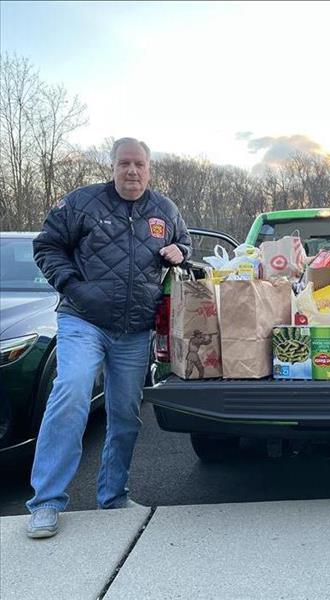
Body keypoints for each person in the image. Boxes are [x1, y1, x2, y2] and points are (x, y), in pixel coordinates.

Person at [27, 137, 192, 538]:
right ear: (112, 167)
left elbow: (185, 242)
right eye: (124, 164)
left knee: (124, 415)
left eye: (139, 164)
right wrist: (73, 286)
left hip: (135, 331)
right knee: (71, 391)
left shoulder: (165, 210)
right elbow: (47, 245)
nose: (132, 171)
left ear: (150, 168)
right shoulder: (82, 202)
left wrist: (179, 251)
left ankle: (114, 496)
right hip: (83, 320)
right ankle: (46, 501)